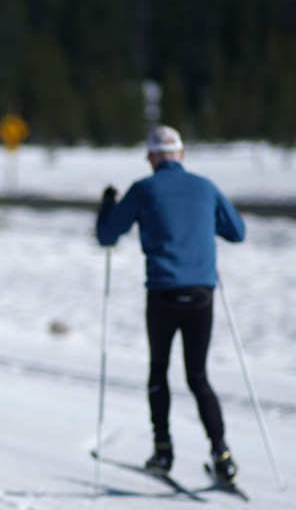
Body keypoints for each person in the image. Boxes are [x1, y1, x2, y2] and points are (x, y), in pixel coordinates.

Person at [95, 123, 247, 487]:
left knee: (159, 371)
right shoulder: (205, 187)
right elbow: (237, 232)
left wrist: (107, 206)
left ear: (151, 157)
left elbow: (107, 235)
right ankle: (222, 453)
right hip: (201, 294)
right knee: (198, 376)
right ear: (181, 154)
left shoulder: (143, 189)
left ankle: (163, 451)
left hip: (163, 293)